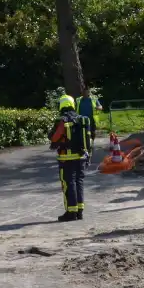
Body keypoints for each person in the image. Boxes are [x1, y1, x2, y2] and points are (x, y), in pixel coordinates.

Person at [50, 94, 92, 222]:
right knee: (79, 182)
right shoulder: (82, 120)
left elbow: (53, 137)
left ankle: (71, 212)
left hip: (67, 158)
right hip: (81, 157)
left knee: (69, 183)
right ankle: (79, 211)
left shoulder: (62, 120)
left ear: (61, 105)